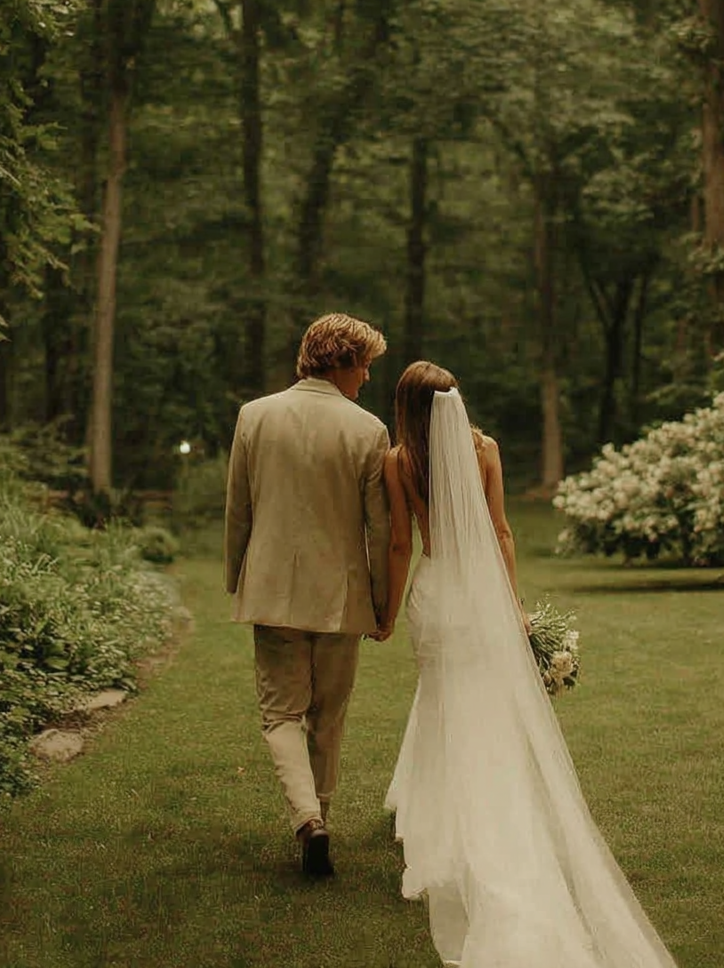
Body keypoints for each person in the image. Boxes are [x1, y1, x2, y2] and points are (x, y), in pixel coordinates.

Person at [377, 361, 679, 968]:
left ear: (406, 406)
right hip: (480, 599)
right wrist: (511, 605)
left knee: (441, 699)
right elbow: (503, 532)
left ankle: (443, 827)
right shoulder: (484, 448)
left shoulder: (397, 461)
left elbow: (400, 544)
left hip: (435, 598)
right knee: (481, 707)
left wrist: (385, 613)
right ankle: (470, 812)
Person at [224, 313, 391, 878]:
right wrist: (382, 600)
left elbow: (238, 509)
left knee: (280, 715)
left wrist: (235, 576)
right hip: (341, 597)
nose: (367, 377)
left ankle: (307, 822)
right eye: (365, 364)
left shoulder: (254, 416)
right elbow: (380, 529)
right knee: (329, 718)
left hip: (271, 589)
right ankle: (318, 818)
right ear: (341, 360)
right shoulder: (368, 431)